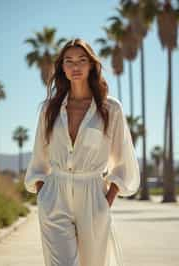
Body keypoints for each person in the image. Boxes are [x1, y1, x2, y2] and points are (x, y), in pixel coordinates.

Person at [24, 38, 140, 266]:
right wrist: (43, 195)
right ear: (62, 68)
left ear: (91, 65)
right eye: (69, 61)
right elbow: (39, 156)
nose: (75, 66)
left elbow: (124, 159)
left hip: (93, 197)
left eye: (81, 60)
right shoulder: (49, 109)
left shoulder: (110, 109)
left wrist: (106, 201)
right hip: (55, 196)